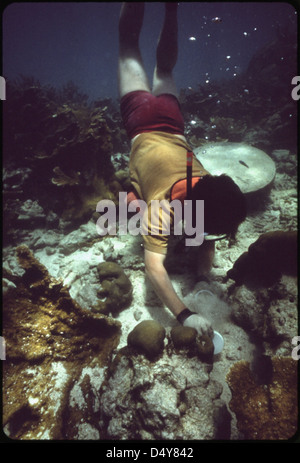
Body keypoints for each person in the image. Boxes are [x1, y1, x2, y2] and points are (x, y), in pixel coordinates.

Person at [118, 2, 246, 336]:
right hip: (141, 121)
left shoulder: (208, 185)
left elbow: (205, 230)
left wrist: (203, 279)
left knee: (163, 70)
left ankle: (171, 8)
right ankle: (170, 8)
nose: (205, 235)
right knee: (129, 46)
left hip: (171, 120)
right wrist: (184, 314)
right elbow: (154, 267)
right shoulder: (160, 211)